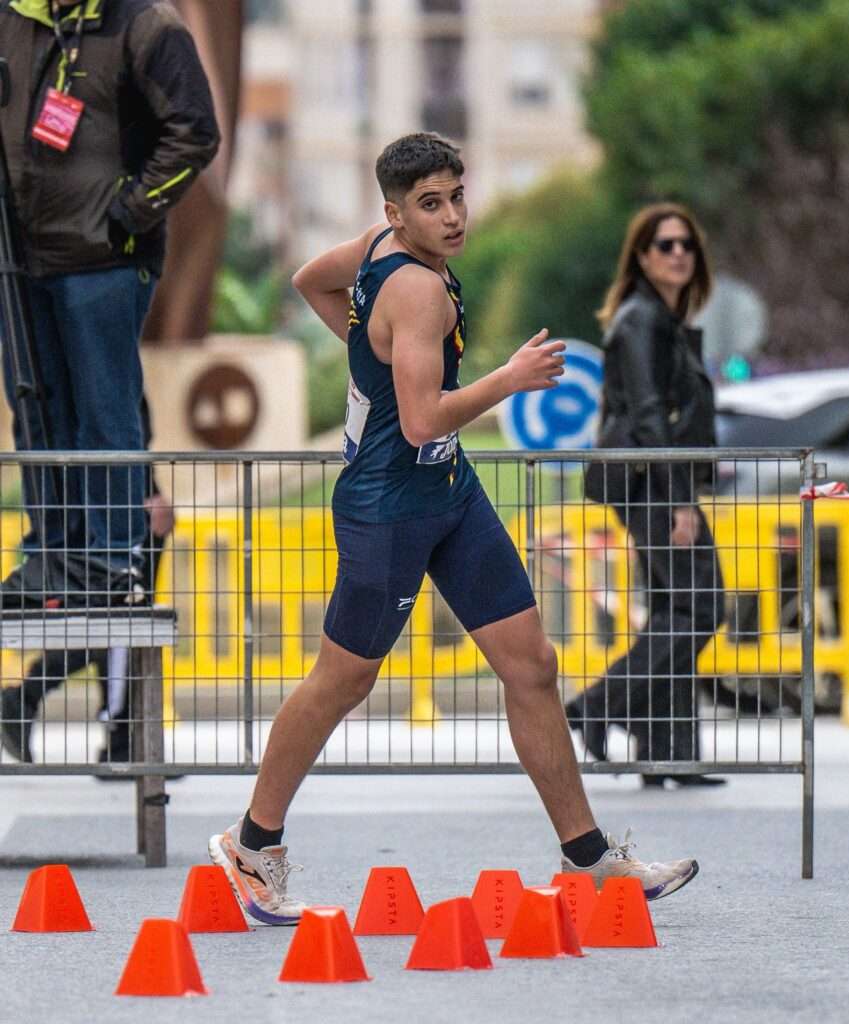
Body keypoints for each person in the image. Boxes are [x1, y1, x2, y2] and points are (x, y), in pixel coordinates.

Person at [208, 134, 699, 926]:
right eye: (429, 204)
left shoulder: (377, 249)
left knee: (530, 665)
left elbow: (310, 280)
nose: (451, 216)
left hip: (449, 492)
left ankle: (588, 858)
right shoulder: (414, 291)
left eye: (456, 197)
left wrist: (370, 361)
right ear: (395, 214)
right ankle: (251, 843)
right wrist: (507, 379)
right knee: (343, 679)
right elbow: (419, 420)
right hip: (389, 506)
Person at [0, 0, 219, 608]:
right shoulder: (12, 17)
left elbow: (196, 132)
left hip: (106, 260)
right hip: (19, 259)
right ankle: (52, 558)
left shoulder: (145, 23)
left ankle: (112, 562)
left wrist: (127, 213)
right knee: (37, 413)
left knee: (104, 413)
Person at [565, 203, 726, 788]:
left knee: (671, 610)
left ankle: (668, 754)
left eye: (686, 244)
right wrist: (680, 498)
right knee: (702, 607)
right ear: (641, 256)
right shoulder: (640, 320)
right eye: (665, 245)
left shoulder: (662, 319)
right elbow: (650, 414)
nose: (678, 253)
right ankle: (595, 705)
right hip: (654, 484)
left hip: (655, 481)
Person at [0, 398, 175, 764]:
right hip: (122, 511)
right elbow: (117, 428)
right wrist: (149, 490)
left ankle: (118, 735)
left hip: (109, 506)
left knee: (112, 620)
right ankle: (117, 736)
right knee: (120, 622)